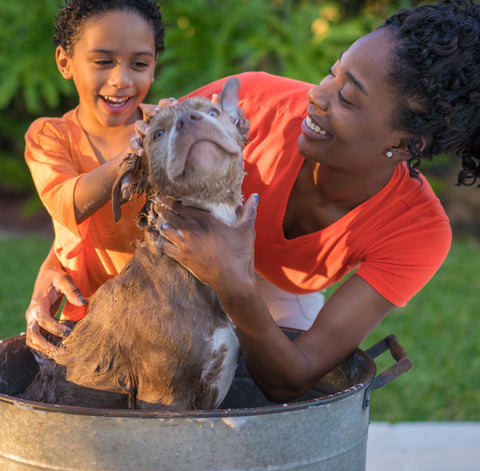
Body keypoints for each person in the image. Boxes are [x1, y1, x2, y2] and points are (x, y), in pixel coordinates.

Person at [27, 0, 480, 402]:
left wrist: (237, 285)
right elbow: (144, 175)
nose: (316, 95)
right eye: (332, 71)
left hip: (266, 288)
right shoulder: (252, 104)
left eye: (346, 96)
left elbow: (293, 378)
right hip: (189, 263)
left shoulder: (415, 231)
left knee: (277, 398)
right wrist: (59, 259)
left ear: (407, 143)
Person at [23, 0, 165, 355]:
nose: (121, 80)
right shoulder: (50, 136)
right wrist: (134, 156)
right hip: (83, 322)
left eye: (139, 64)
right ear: (65, 62)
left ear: (153, 67)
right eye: (103, 61)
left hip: (164, 319)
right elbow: (68, 205)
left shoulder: (166, 126)